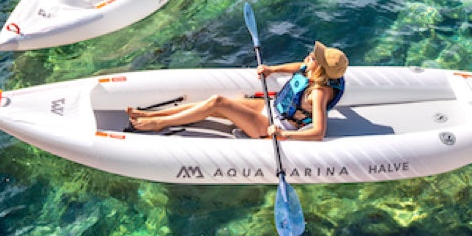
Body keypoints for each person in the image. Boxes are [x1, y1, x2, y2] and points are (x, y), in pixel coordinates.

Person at [127, 42, 348, 141]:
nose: (309, 56)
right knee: (211, 106)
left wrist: (284, 134)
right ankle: (153, 114)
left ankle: (160, 123)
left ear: (319, 68)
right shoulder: (313, 70)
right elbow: (298, 67)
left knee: (217, 103)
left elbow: (319, 131)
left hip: (276, 125)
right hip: (271, 109)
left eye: (314, 57)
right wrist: (272, 69)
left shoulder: (319, 92)